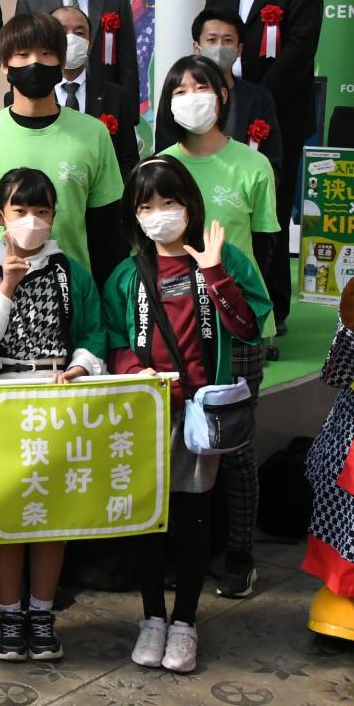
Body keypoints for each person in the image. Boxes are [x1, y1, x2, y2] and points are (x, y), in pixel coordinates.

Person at [102, 156, 270, 673]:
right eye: (146, 204)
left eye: (169, 202)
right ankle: (152, 616)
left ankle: (187, 620)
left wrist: (215, 272)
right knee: (148, 519)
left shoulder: (224, 260)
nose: (159, 214)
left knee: (194, 517)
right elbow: (112, 339)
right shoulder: (128, 274)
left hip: (199, 415)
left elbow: (247, 326)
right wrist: (137, 375)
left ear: (190, 205)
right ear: (134, 213)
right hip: (147, 412)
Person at [0, 166, 106, 664]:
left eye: (42, 211)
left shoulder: (70, 271)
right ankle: (8, 612)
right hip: (2, 399)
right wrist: (5, 285)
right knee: (7, 513)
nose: (32, 221)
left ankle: (42, 612)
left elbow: (92, 333)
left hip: (57, 398)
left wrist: (81, 367)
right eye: (21, 211)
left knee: (51, 512)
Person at [157, 55, 281, 600]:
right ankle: (183, 549)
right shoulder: (160, 163)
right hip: (176, 322)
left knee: (234, 443)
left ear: (223, 95)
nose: (190, 97)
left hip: (237, 325)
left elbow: (271, 251)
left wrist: (263, 317)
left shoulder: (252, 166)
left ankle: (238, 552)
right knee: (177, 443)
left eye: (200, 86)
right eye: (178, 89)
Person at [204, 0, 322, 331]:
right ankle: (220, 295)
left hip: (276, 110)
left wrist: (258, 99)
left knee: (267, 208)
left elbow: (300, 47)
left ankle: (274, 307)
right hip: (222, 104)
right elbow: (213, 29)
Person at [0, 13, 125, 289]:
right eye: (22, 54)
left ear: (61, 62)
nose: (35, 63)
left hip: (74, 299)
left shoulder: (93, 134)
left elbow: (108, 236)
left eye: (46, 53)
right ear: (5, 65)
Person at [155, 10, 288, 175]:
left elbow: (272, 161)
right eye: (212, 40)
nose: (219, 47)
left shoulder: (258, 98)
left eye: (228, 40)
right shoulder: (181, 95)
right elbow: (164, 149)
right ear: (197, 48)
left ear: (239, 49)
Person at [44, 5, 139, 177]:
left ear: (90, 42)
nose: (71, 38)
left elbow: (128, 162)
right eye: (61, 31)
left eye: (79, 33)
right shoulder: (32, 95)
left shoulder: (117, 97)